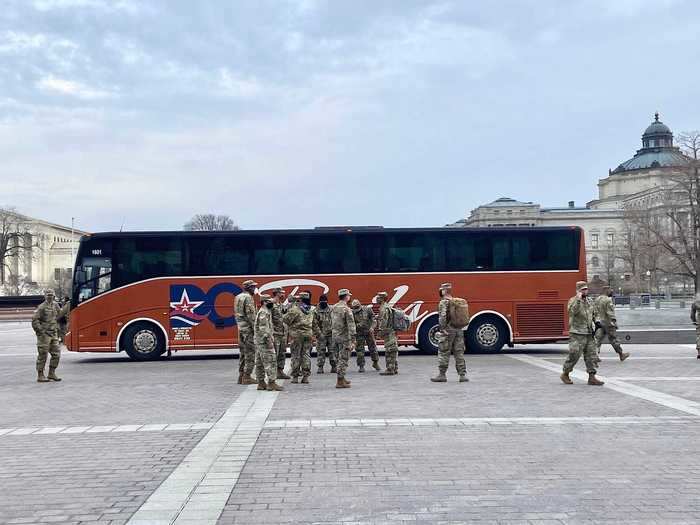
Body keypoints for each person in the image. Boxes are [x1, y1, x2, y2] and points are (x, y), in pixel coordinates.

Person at [561, 281, 604, 385]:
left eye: (586, 289)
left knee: (591, 355)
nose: (586, 291)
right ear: (578, 291)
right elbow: (572, 312)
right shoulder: (573, 301)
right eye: (583, 289)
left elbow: (595, 312)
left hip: (589, 333)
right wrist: (579, 300)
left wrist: (597, 321)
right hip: (577, 333)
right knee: (574, 354)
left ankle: (592, 376)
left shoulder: (590, 301)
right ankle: (565, 373)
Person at [431, 283, 468, 383]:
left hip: (448, 330)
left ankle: (442, 374)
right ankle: (462, 375)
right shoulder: (455, 301)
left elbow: (442, 316)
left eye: (441, 290)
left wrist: (442, 328)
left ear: (444, 291)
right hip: (458, 330)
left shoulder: (444, 302)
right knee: (459, 352)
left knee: (444, 352)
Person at [254, 294, 283, 391]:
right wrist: (269, 340)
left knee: (260, 362)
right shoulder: (264, 312)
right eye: (269, 302)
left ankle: (261, 383)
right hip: (265, 342)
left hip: (259, 341)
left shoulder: (264, 311)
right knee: (271, 360)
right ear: (265, 302)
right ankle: (271, 383)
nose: (272, 303)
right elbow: (264, 328)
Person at [31, 289, 62, 382]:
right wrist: (40, 331)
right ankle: (40, 375)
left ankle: (51, 373)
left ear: (54, 296)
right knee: (43, 354)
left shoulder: (56, 305)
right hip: (44, 335)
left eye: (51, 295)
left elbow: (59, 316)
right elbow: (35, 320)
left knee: (56, 354)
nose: (50, 296)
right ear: (44, 296)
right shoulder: (41, 307)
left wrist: (58, 329)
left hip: (53, 333)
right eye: (48, 295)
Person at [593, 286, 630, 362]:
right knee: (614, 339)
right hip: (608, 323)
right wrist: (614, 322)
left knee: (598, 338)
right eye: (610, 291)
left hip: (599, 322)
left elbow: (594, 311)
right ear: (606, 291)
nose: (612, 292)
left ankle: (595, 355)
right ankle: (621, 354)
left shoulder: (597, 299)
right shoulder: (608, 300)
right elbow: (610, 312)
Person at [283, 291, 313, 383]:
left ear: (300, 299)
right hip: (308, 334)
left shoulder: (295, 309)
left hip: (297, 336)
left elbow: (285, 319)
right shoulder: (311, 309)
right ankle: (305, 377)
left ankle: (295, 377)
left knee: (296, 355)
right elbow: (314, 323)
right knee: (306, 355)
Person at [331, 288, 356, 388]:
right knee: (344, 358)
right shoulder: (346, 309)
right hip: (344, 337)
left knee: (338, 358)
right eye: (349, 295)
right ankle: (340, 381)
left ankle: (342, 377)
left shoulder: (334, 307)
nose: (349, 297)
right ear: (346, 297)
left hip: (335, 336)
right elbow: (351, 325)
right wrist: (353, 339)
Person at [234, 280, 258, 385]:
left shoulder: (238, 297)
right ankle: (247, 376)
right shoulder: (248, 298)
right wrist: (256, 329)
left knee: (243, 353)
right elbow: (251, 316)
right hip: (248, 330)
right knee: (250, 353)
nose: (255, 289)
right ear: (249, 288)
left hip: (240, 328)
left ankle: (241, 376)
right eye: (253, 287)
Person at [351, 299, 380, 372]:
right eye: (354, 308)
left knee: (373, 348)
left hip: (368, 332)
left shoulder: (367, 309)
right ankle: (361, 366)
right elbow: (351, 323)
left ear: (360, 305)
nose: (356, 309)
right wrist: (358, 326)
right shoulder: (351, 313)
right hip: (359, 333)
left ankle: (375, 362)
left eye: (357, 307)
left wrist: (372, 327)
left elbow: (373, 318)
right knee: (360, 350)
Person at [376, 291, 399, 376]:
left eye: (378, 297)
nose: (376, 299)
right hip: (391, 332)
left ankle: (390, 369)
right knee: (393, 349)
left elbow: (384, 322)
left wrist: (380, 333)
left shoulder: (384, 308)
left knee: (390, 350)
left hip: (388, 333)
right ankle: (395, 368)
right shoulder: (386, 306)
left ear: (382, 299)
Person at [313, 294, 336, 373]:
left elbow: (335, 320)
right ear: (319, 302)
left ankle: (334, 366)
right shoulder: (316, 311)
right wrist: (319, 334)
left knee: (332, 351)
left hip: (331, 334)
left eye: (325, 302)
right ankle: (320, 367)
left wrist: (335, 331)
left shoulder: (331, 309)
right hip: (321, 335)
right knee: (320, 351)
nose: (324, 304)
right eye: (322, 302)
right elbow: (314, 324)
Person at [271, 288, 291, 379]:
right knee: (274, 354)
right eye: (282, 293)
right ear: (277, 293)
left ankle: (280, 371)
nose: (284, 295)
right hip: (274, 333)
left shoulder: (281, 305)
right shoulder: (271, 304)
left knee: (282, 353)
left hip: (282, 333)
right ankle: (272, 374)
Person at [691, 293, 700, 359]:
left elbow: (692, 314)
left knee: (699, 335)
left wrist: (694, 321)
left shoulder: (696, 301)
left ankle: (699, 352)